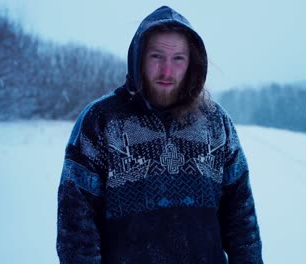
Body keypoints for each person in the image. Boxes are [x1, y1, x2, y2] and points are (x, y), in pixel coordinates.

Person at [57, 6, 263, 264]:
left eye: (178, 58)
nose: (167, 71)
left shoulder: (216, 123)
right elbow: (76, 226)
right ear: (139, 57)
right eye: (157, 56)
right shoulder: (100, 121)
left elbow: (241, 217)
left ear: (192, 63)